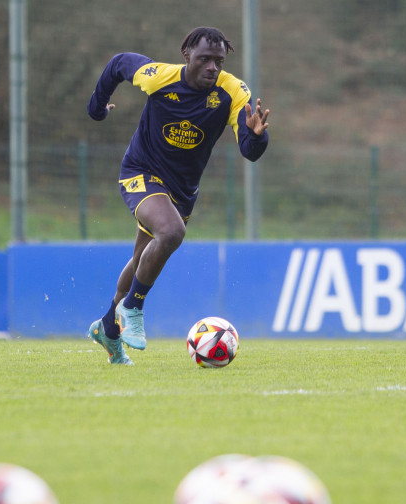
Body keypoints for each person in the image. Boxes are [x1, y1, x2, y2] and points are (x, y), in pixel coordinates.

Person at [85, 27, 270, 365]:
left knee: (143, 257)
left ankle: (108, 330)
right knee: (171, 233)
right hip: (140, 173)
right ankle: (133, 309)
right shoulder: (159, 77)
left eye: (218, 61)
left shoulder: (233, 92)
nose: (212, 67)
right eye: (204, 59)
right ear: (187, 56)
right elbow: (118, 64)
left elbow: (249, 149)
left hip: (181, 193)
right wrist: (97, 108)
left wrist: (257, 137)